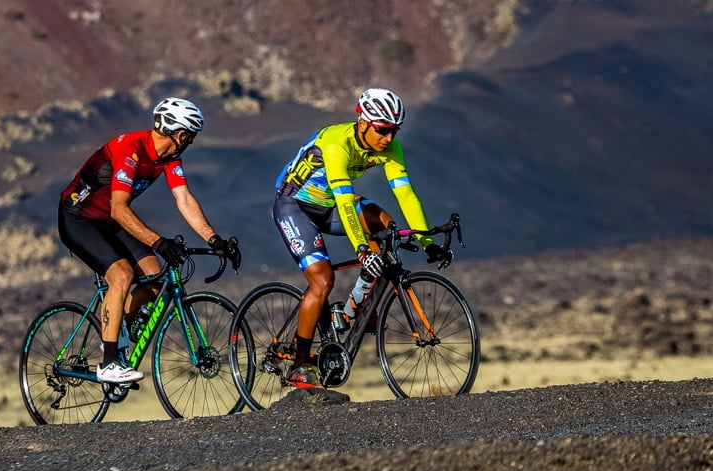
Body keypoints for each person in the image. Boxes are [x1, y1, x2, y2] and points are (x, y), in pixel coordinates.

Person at [271, 88, 452, 389]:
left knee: (387, 226)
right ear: (364, 122)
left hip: (328, 204)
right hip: (295, 206)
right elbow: (344, 202)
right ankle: (300, 364)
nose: (389, 139)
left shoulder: (389, 149)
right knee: (322, 281)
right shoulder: (336, 143)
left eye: (395, 131)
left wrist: (427, 242)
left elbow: (405, 195)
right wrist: (360, 248)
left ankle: (360, 306)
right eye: (383, 130)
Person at [57, 97, 241, 384]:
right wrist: (158, 241)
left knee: (155, 280)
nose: (192, 142)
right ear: (181, 134)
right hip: (79, 218)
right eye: (192, 136)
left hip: (109, 220)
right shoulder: (130, 150)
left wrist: (214, 238)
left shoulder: (169, 158)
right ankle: (108, 363)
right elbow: (119, 208)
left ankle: (120, 338)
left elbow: (184, 199)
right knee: (122, 275)